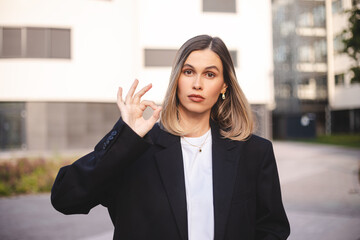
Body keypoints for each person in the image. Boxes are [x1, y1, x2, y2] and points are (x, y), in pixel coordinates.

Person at [51, 35, 290, 240]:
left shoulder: (254, 153)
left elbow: (273, 228)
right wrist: (125, 136)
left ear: (224, 85)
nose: (197, 84)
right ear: (176, 78)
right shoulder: (135, 149)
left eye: (209, 74)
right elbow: (66, 198)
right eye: (189, 72)